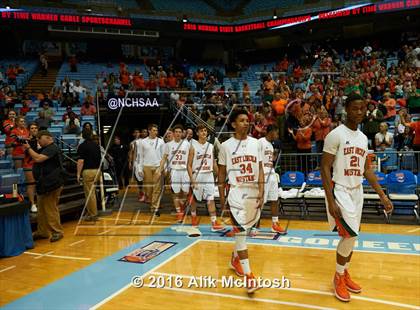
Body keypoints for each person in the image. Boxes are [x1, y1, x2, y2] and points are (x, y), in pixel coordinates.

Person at [321, 93, 393, 302]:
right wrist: (331, 200)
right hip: (340, 189)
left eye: (362, 108)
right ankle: (337, 276)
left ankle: (344, 272)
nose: (359, 112)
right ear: (346, 110)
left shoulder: (362, 138)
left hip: (357, 191)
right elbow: (324, 167)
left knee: (353, 237)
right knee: (349, 236)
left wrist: (382, 196)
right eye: (354, 108)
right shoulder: (335, 135)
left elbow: (366, 169)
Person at [218, 108, 264, 293]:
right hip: (236, 192)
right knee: (241, 232)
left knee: (244, 231)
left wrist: (262, 190)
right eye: (242, 120)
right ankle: (249, 276)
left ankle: (235, 258)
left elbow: (260, 168)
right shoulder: (225, 146)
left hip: (253, 192)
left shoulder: (256, 143)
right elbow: (221, 174)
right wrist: (222, 198)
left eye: (248, 120)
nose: (246, 122)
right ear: (233, 124)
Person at [23, 130, 65, 242]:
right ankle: (43, 231)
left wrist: (28, 148)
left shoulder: (52, 148)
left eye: (39, 139)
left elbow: (38, 158)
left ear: (47, 138)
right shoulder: (45, 149)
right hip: (44, 184)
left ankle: (57, 231)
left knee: (50, 208)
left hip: (52, 184)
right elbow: (35, 156)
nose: (38, 141)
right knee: (41, 209)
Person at [187, 124, 224, 231]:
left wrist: (218, 176)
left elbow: (213, 163)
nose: (204, 133)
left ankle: (214, 222)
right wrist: (192, 179)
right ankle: (193, 216)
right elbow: (188, 165)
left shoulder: (211, 146)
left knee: (210, 199)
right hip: (197, 175)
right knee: (194, 198)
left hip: (208, 175)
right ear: (197, 133)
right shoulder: (192, 145)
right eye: (202, 131)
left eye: (205, 131)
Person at [154, 124, 190, 222]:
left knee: (186, 192)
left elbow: (191, 158)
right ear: (173, 133)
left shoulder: (187, 144)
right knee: (175, 193)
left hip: (184, 171)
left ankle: (182, 207)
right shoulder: (168, 145)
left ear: (182, 133)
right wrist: (159, 169)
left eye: (180, 132)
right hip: (174, 171)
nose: (178, 134)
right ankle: (179, 213)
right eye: (176, 132)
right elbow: (164, 158)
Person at [258, 125, 286, 234]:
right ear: (271, 132)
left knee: (275, 199)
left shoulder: (271, 145)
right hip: (263, 174)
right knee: (260, 202)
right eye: (277, 133)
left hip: (271, 173)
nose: (277, 136)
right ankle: (255, 226)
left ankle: (275, 224)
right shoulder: (260, 142)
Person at [136, 124, 165, 211]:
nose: (155, 132)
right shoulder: (142, 142)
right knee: (148, 188)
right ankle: (152, 202)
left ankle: (154, 207)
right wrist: (139, 169)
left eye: (156, 130)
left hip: (157, 167)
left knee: (157, 188)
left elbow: (164, 156)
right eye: (153, 130)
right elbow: (139, 156)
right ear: (149, 131)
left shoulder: (161, 141)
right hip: (146, 166)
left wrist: (163, 168)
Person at [77, 130, 102, 221]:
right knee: (93, 193)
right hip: (97, 171)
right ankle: (91, 212)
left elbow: (81, 161)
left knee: (90, 194)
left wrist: (78, 174)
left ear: (83, 136)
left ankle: (93, 214)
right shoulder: (96, 145)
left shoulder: (82, 146)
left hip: (88, 171)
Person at [23, 123, 39, 213]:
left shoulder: (41, 139)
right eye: (32, 128)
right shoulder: (25, 140)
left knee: (39, 184)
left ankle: (39, 202)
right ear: (29, 130)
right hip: (29, 163)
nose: (34, 129)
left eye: (36, 128)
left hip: (39, 163)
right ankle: (32, 204)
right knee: (31, 184)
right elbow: (26, 152)